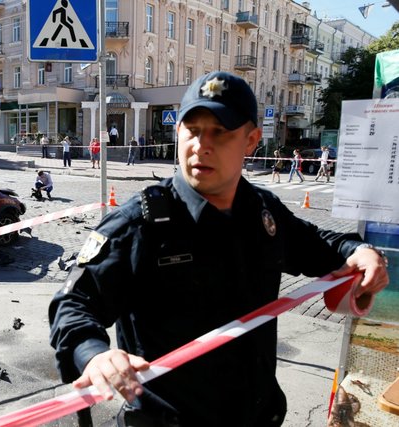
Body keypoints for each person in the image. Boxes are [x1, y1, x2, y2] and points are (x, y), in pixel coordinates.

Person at [49, 71, 389, 426]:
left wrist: (360, 250)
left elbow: (319, 244)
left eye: (220, 132)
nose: (201, 145)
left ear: (251, 140)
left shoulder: (263, 211)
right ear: (178, 132)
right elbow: (74, 304)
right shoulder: (140, 223)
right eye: (192, 130)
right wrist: (94, 356)